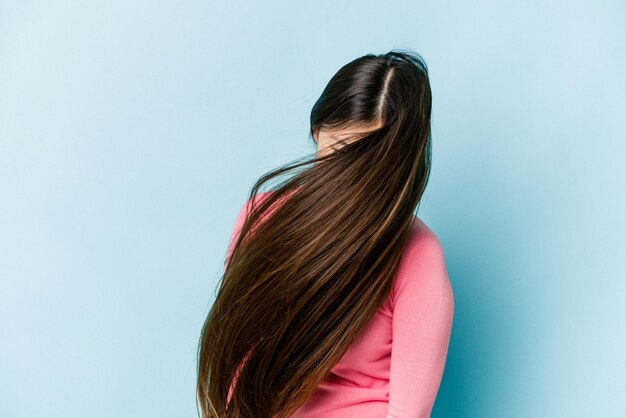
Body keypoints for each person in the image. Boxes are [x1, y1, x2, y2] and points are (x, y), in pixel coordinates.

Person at [197, 49, 454, 418]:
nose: (351, 175)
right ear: (317, 132)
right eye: (339, 150)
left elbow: (408, 412)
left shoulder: (417, 254)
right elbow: (238, 354)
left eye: (371, 160)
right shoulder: (262, 215)